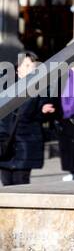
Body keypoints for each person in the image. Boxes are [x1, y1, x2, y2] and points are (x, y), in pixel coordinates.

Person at [0, 52, 56, 186]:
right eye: (27, 65)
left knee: (21, 183)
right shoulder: (4, 84)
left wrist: (43, 111)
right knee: (6, 184)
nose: (31, 69)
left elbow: (44, 108)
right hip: (4, 142)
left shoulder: (41, 87)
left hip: (26, 141)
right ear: (18, 67)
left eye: (33, 66)